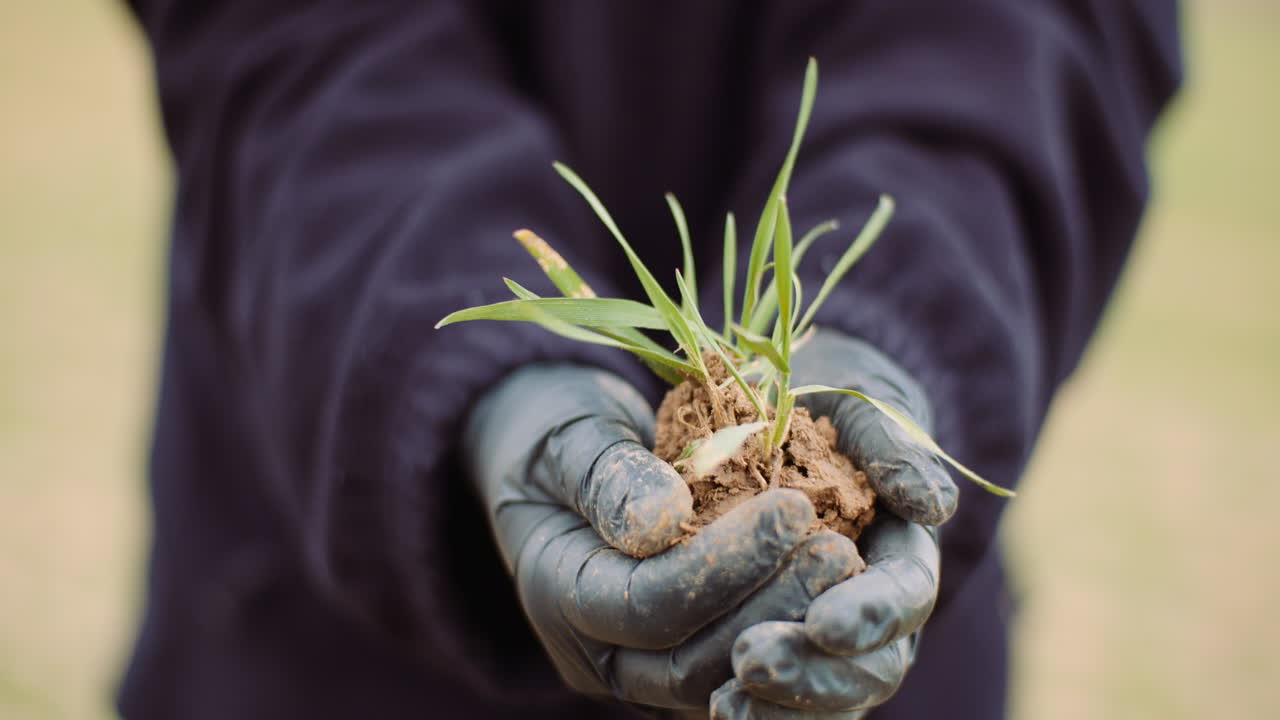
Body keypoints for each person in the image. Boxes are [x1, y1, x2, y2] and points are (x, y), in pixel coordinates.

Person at [117, 1, 1181, 718]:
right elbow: (292, 36)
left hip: (857, 672)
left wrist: (887, 320)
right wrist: (483, 366)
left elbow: (1029, 32)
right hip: (332, 615)